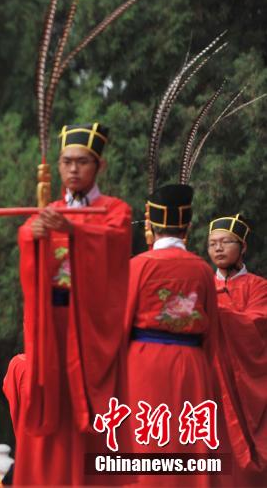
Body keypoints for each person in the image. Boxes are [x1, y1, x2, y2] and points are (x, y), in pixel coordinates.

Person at [2, 123, 131, 485]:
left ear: (99, 166)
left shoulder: (115, 210)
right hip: (53, 324)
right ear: (57, 167)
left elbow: (115, 245)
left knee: (90, 410)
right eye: (66, 162)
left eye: (83, 162)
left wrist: (76, 232)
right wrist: (31, 236)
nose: (73, 169)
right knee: (51, 405)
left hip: (91, 327)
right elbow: (29, 246)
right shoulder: (50, 210)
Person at [121, 184, 219, 487]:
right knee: (188, 446)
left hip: (144, 365)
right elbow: (212, 329)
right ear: (188, 226)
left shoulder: (137, 266)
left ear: (150, 225)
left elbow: (121, 323)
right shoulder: (203, 271)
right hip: (192, 365)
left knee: (146, 442)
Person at [206, 214, 267, 486]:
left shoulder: (259, 287)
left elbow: (256, 322)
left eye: (225, 242)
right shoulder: (203, 285)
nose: (218, 249)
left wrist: (215, 311)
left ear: (243, 246)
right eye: (212, 244)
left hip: (246, 383)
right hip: (211, 381)